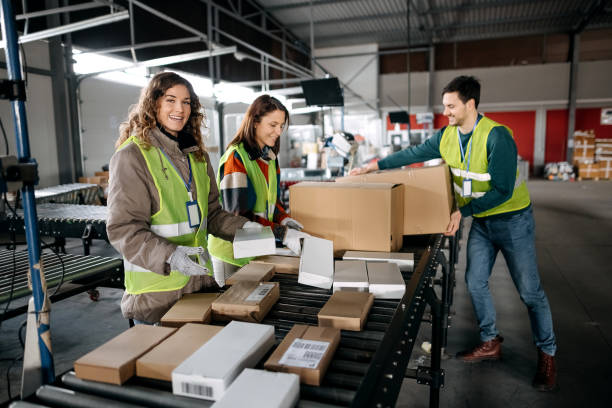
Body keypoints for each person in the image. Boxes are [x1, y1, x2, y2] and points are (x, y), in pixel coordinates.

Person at [350, 76, 557, 391]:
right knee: (474, 283)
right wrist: (373, 166)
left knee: (530, 292)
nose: (445, 111)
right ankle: (490, 341)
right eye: (444, 105)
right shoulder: (446, 136)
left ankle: (547, 354)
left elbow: (502, 190)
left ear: (469, 104)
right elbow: (412, 154)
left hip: (513, 221)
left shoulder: (497, 137)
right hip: (483, 224)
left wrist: (462, 212)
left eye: (451, 106)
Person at [106, 73, 302, 324]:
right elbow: (123, 229)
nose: (180, 109)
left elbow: (214, 214)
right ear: (153, 103)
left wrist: (261, 231)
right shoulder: (133, 157)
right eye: (170, 100)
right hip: (158, 294)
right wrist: (170, 256)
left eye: (186, 102)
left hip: (199, 285)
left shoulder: (195, 154)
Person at [208, 95, 308, 286]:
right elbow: (238, 217)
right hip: (231, 253)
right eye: (273, 125)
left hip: (256, 247)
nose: (278, 131)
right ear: (255, 122)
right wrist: (281, 233)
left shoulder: (269, 157)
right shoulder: (235, 158)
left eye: (281, 126)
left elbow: (272, 202)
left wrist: (283, 218)